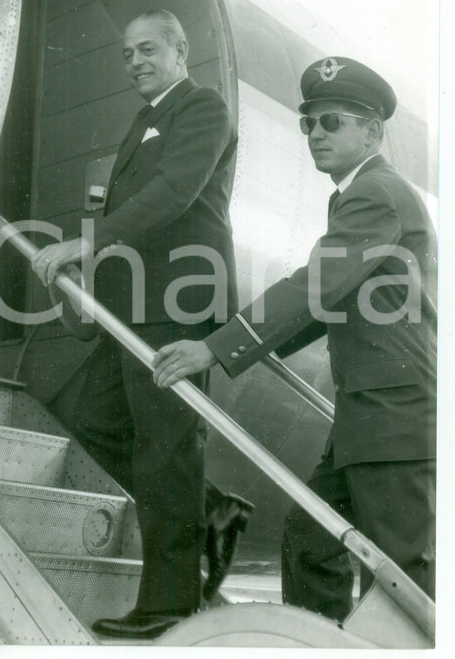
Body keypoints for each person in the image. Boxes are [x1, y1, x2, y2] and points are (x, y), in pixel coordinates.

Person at [153, 56, 437, 622]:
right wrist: (233, 337)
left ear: (372, 131)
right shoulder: (357, 194)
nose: (315, 135)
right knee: (310, 540)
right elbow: (331, 296)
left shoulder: (374, 193)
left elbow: (318, 283)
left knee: (403, 579)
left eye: (332, 122)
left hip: (393, 417)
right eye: (309, 123)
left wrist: (219, 348)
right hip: (367, 415)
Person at [32, 10, 252, 639]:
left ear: (182, 49)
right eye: (127, 54)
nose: (135, 62)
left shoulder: (201, 108)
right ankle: (207, 509)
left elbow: (175, 192)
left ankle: (169, 606)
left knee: (165, 450)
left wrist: (85, 242)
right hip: (131, 306)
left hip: (177, 303)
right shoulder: (144, 120)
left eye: (148, 49)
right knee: (84, 410)